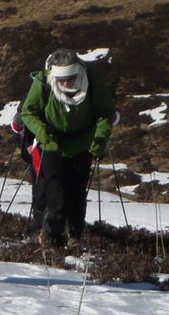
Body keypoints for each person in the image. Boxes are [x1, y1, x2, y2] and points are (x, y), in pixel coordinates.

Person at [19, 48, 116, 250]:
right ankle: (50, 235)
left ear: (77, 72)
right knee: (55, 195)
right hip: (52, 143)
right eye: (61, 79)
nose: (66, 83)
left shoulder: (91, 80)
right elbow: (28, 113)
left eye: (70, 78)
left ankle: (74, 236)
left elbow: (106, 113)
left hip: (83, 144)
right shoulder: (43, 82)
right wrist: (41, 131)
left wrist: (100, 138)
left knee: (77, 193)